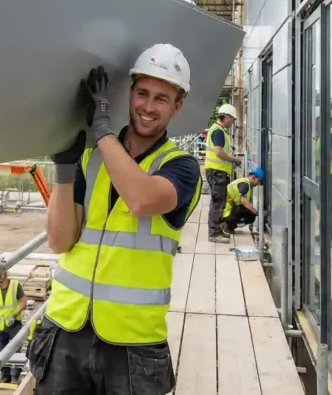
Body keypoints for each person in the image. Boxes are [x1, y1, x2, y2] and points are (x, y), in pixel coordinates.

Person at [30, 43, 203, 394]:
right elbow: (59, 242)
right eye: (142, 93)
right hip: (66, 329)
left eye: (161, 98)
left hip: (133, 345)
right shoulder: (91, 160)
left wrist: (103, 128)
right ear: (131, 94)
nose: (148, 107)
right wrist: (65, 170)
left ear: (177, 107)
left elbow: (140, 199)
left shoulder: (181, 167)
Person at [204, 104, 241, 243]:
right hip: (216, 172)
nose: (233, 122)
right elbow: (219, 153)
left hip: (217, 171)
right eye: (232, 119)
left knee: (219, 201)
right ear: (227, 117)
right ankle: (214, 233)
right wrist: (234, 160)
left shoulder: (218, 130)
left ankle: (217, 230)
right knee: (217, 202)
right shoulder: (218, 131)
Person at [0, 270, 29, 383]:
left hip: (14, 324)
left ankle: (15, 376)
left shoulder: (15, 285)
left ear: (5, 275)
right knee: (2, 351)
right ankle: (6, 376)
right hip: (1, 326)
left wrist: (14, 314)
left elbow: (23, 301)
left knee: (15, 349)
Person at [221, 167, 263, 235]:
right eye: (258, 180)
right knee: (251, 214)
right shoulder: (245, 185)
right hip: (226, 212)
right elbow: (244, 201)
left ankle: (228, 225)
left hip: (225, 209)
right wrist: (256, 212)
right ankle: (227, 226)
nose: (258, 183)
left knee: (248, 210)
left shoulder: (244, 181)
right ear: (254, 177)